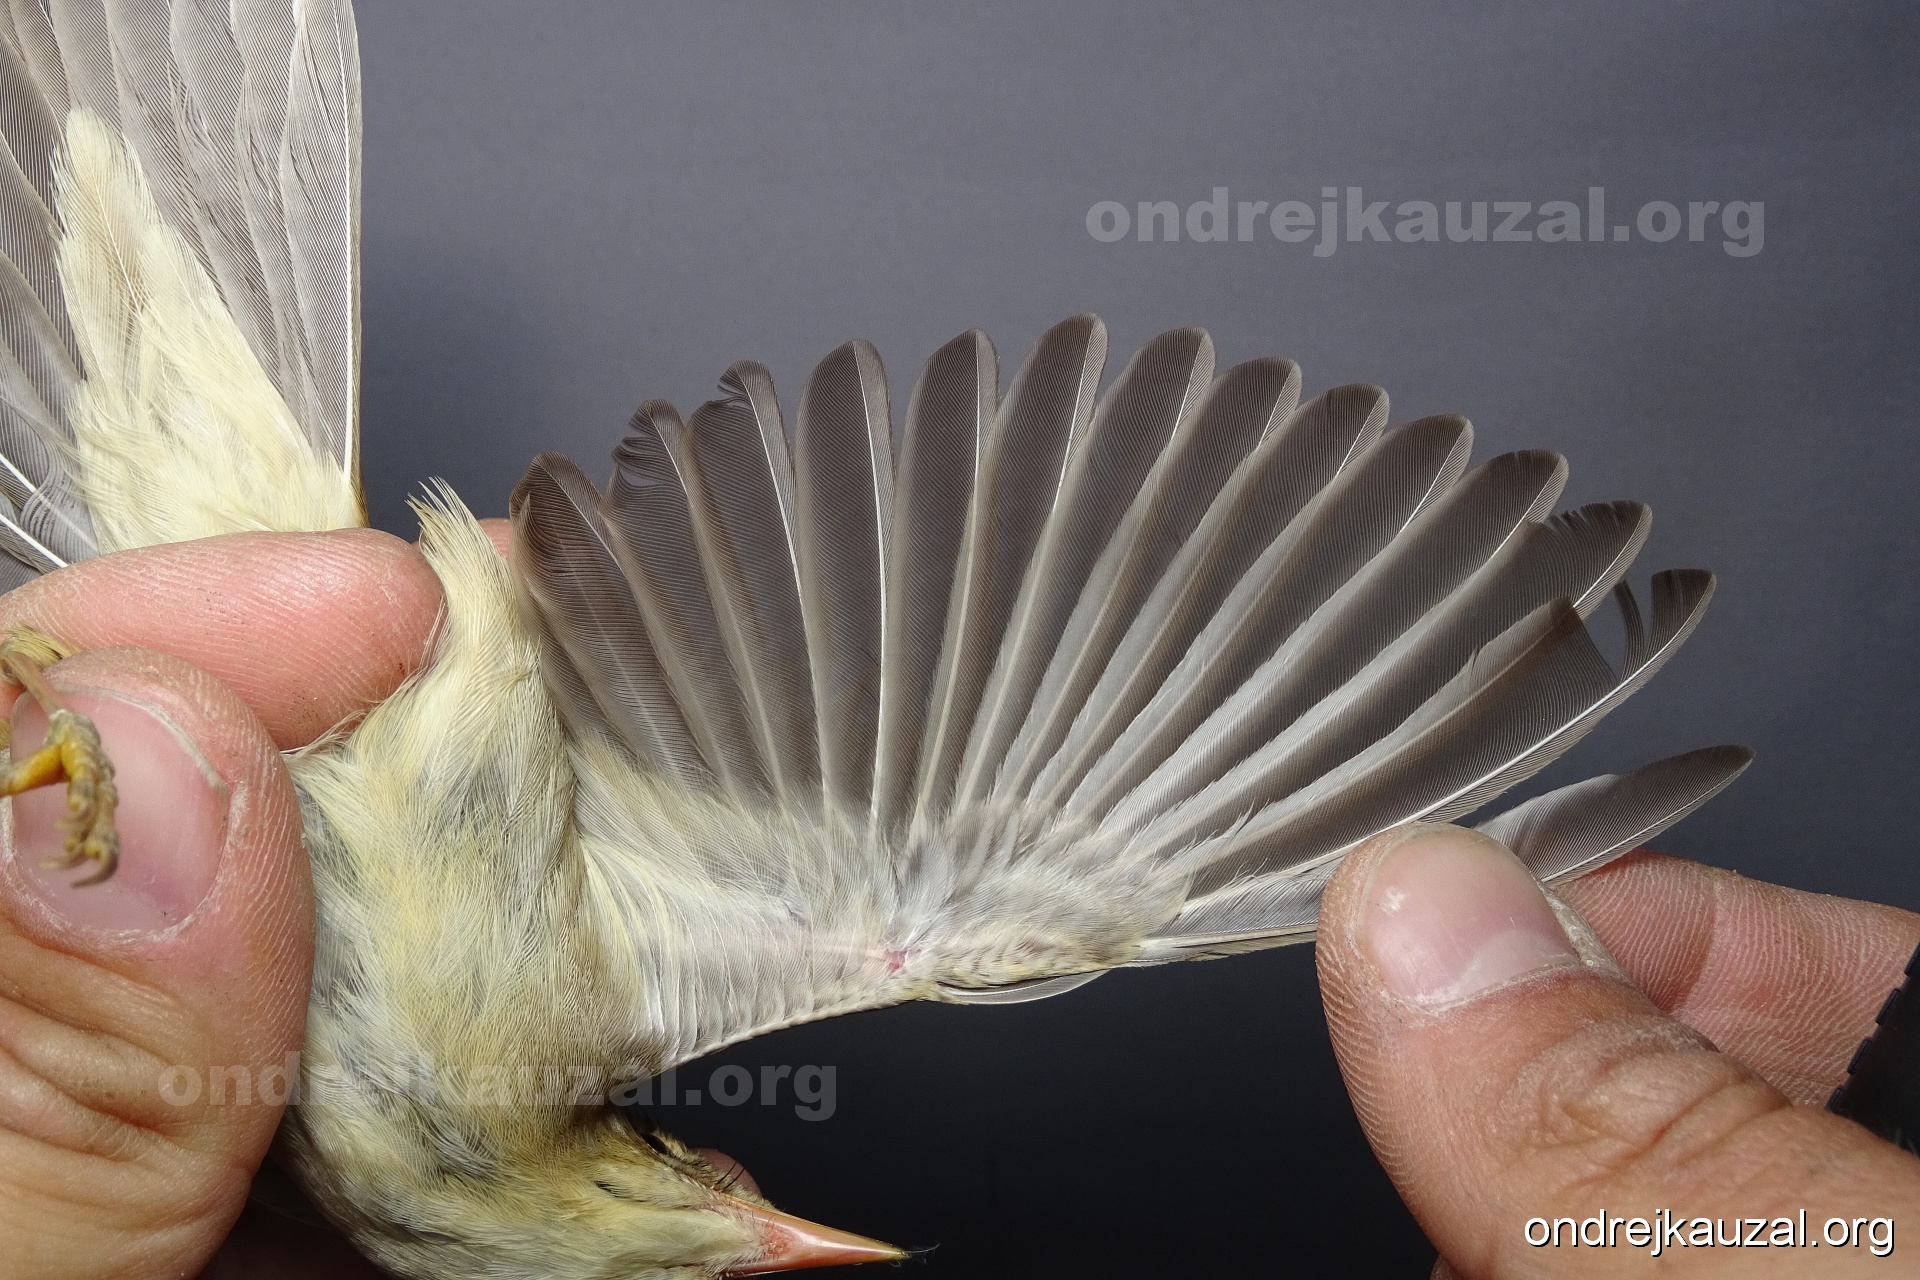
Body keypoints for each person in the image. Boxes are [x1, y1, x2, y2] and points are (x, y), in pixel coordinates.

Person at [2, 528, 1915, 1280]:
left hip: (151, 605)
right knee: (1036, 917)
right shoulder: (591, 1006)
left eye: (724, 1211)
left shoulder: (300, 1178)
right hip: (280, 625)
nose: (757, 1217)